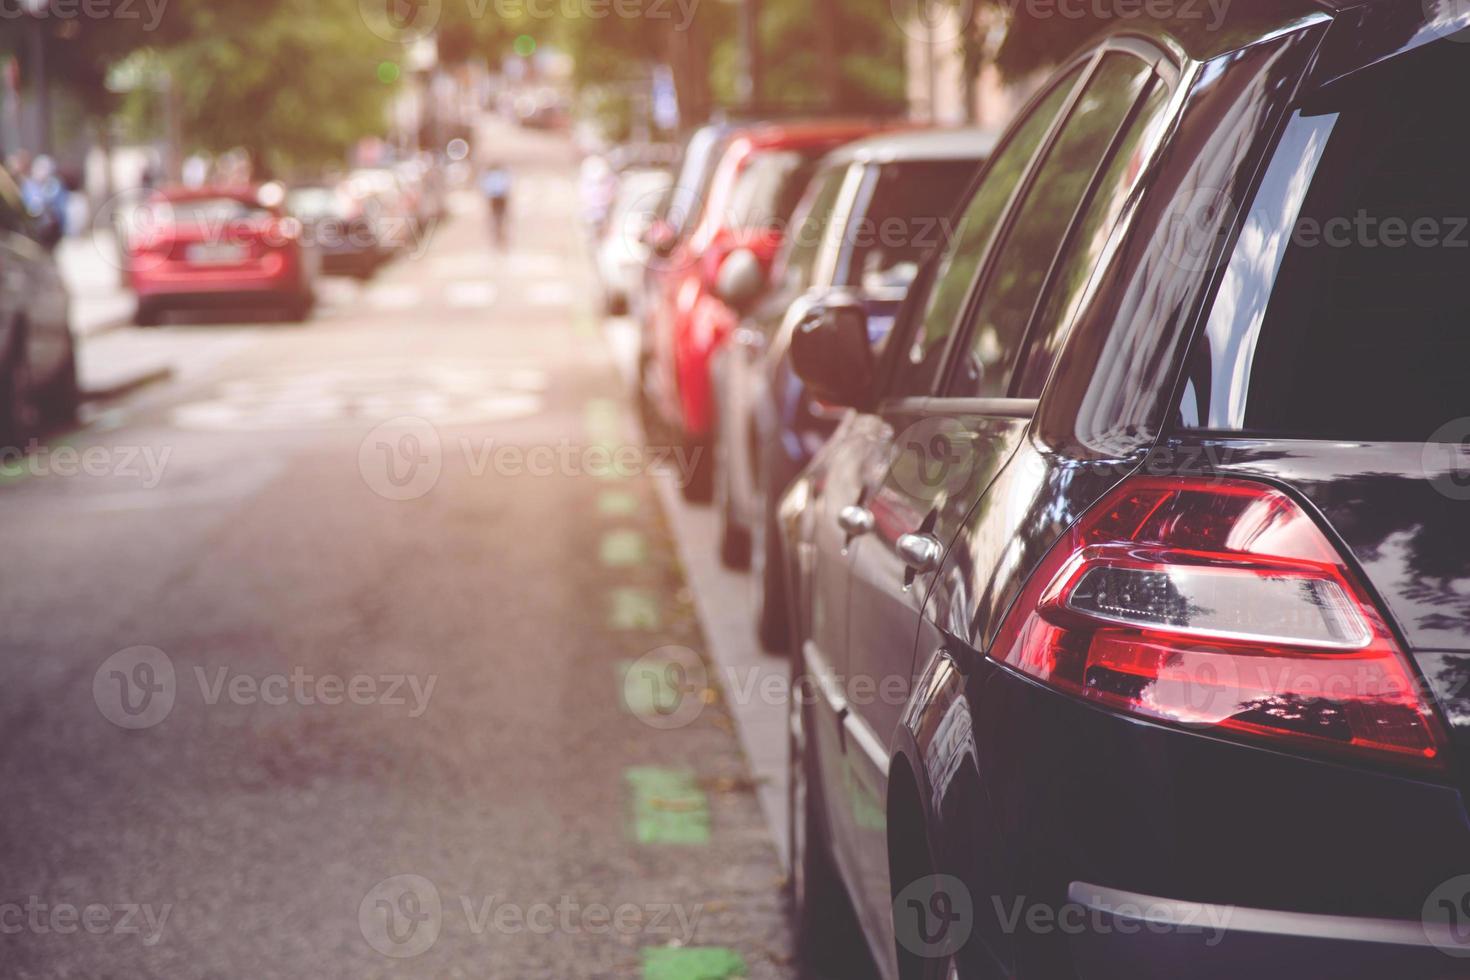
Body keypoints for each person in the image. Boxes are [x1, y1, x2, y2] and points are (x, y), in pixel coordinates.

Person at [479, 160, 512, 249]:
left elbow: (485, 188)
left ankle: (498, 235)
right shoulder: (501, 175)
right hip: (499, 198)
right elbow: (507, 187)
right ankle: (499, 235)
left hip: (496, 198)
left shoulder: (490, 175)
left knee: (497, 217)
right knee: (499, 218)